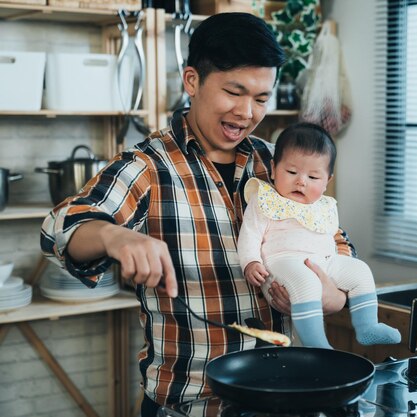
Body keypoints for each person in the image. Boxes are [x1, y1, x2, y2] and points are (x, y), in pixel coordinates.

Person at [40, 13, 351, 416]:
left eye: (260, 98)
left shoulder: (279, 164)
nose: (246, 112)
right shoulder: (148, 167)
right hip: (189, 406)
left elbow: (337, 244)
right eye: (234, 92)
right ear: (192, 81)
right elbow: (59, 229)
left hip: (281, 397)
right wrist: (115, 236)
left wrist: (334, 296)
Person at [238, 122, 401, 349]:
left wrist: (337, 279)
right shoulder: (266, 199)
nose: (301, 181)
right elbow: (250, 234)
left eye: (313, 177)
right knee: (307, 282)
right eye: (292, 172)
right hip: (281, 263)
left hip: (324, 262)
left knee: (361, 271)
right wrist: (251, 262)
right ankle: (317, 345)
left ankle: (367, 327)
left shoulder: (323, 206)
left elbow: (336, 239)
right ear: (274, 169)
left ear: (327, 181)